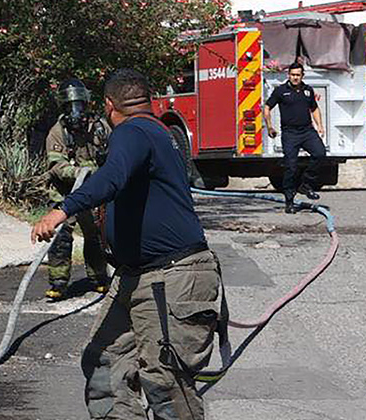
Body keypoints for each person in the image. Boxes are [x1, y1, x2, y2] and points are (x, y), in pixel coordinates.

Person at [32, 69, 226, 420]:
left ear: (109, 105)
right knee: (103, 361)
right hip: (135, 276)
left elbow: (112, 176)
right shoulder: (158, 132)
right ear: (148, 99)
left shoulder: (133, 132)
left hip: (169, 277)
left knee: (164, 381)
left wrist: (62, 209)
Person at [44, 78, 111, 300]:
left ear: (87, 103)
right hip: (65, 192)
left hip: (92, 193)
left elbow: (114, 154)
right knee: (62, 236)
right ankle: (59, 282)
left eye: (79, 104)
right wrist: (81, 172)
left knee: (95, 235)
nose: (76, 111)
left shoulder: (100, 128)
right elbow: (56, 166)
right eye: (71, 105)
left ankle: (99, 278)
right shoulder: (57, 132)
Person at [264, 61, 327, 213]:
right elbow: (267, 108)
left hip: (307, 131)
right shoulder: (281, 91)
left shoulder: (307, 90)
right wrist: (270, 127)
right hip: (290, 133)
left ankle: (306, 184)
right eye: (292, 75)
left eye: (298, 75)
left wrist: (320, 126)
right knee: (290, 167)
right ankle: (289, 201)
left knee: (320, 154)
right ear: (288, 75)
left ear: (302, 75)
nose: (295, 78)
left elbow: (314, 108)